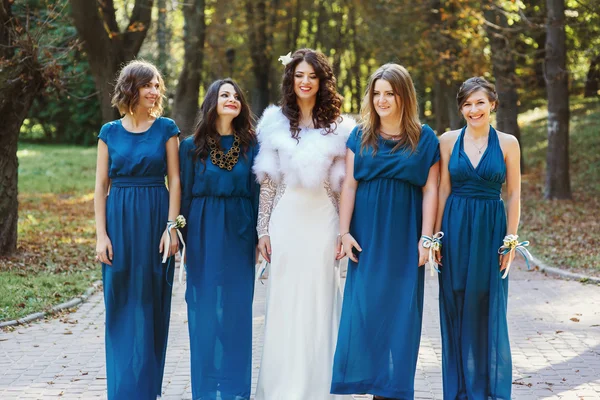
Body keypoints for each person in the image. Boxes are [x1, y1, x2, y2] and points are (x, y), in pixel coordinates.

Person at [331, 63, 440, 400]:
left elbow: (431, 191)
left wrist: (427, 237)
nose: (382, 100)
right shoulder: (359, 136)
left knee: (401, 315)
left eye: (389, 93)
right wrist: (344, 232)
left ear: (403, 95)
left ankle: (392, 390)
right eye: (376, 93)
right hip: (367, 239)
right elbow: (349, 186)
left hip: (405, 238)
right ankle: (370, 384)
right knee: (365, 313)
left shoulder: (425, 138)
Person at [253, 48, 356, 400]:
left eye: (312, 75)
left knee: (321, 301)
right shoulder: (273, 123)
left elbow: (346, 188)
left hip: (324, 224)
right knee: (284, 303)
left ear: (322, 80)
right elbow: (268, 182)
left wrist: (343, 232)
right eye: (299, 75)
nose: (305, 81)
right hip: (285, 222)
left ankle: (320, 387)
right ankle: (283, 389)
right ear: (290, 79)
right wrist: (262, 229)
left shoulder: (342, 128)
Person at [94, 60, 181, 399]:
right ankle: (121, 389)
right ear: (132, 88)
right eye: (149, 85)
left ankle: (147, 389)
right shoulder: (109, 132)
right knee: (119, 302)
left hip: (156, 218)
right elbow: (101, 185)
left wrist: (171, 228)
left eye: (157, 85)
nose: (155, 91)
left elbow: (174, 179)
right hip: (118, 221)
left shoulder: (167, 129)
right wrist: (101, 235)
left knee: (151, 302)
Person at [435, 77, 521, 400]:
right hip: (455, 229)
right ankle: (459, 390)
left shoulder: (509, 143)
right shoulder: (447, 141)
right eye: (467, 104)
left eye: (480, 103)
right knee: (456, 302)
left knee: (488, 303)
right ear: (461, 108)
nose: (474, 110)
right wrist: (436, 238)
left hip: (491, 230)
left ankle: (488, 390)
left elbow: (513, 195)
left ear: (492, 104)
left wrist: (510, 241)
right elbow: (443, 189)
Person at [179, 78, 259, 400]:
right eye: (225, 94)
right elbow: (184, 194)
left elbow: (256, 193)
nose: (232, 99)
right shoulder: (191, 147)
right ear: (212, 101)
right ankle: (206, 390)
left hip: (239, 232)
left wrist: (256, 238)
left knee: (237, 312)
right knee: (205, 311)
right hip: (203, 233)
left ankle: (235, 391)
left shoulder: (253, 145)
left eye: (237, 96)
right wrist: (183, 239)